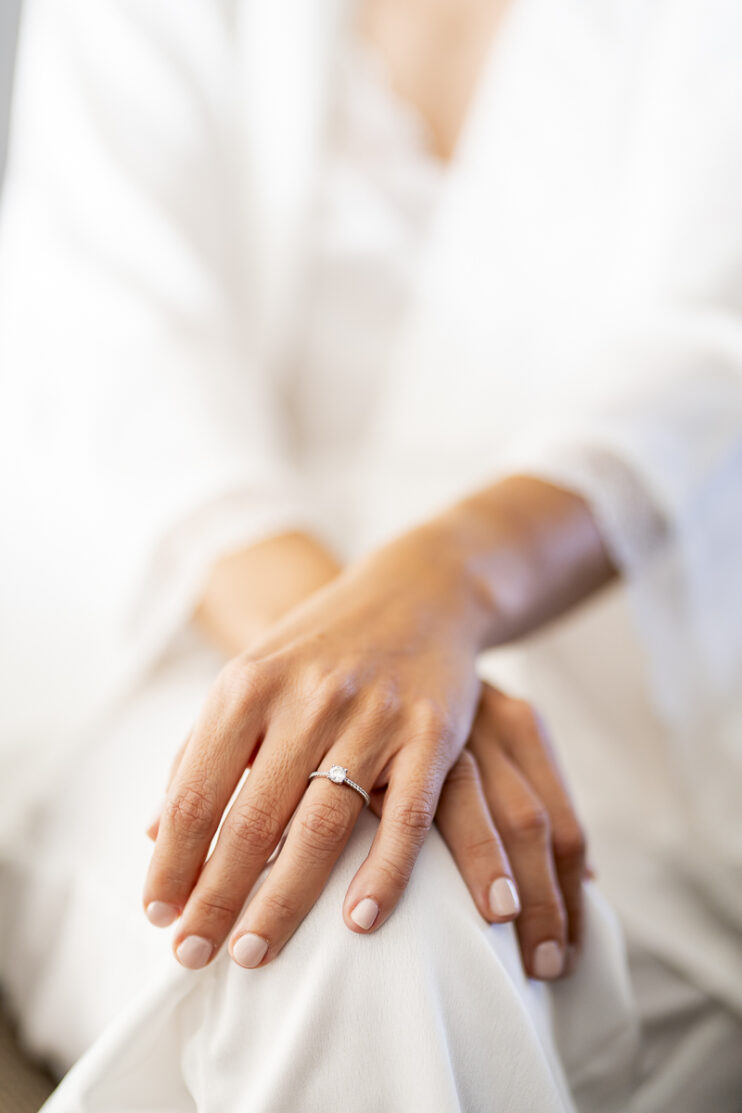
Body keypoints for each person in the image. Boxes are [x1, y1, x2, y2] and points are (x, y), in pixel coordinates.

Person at [0, 0, 741, 1110]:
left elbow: (706, 360)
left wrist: (441, 594)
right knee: (353, 885)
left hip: (626, 745)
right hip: (184, 658)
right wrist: (361, 673)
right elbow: (117, 354)